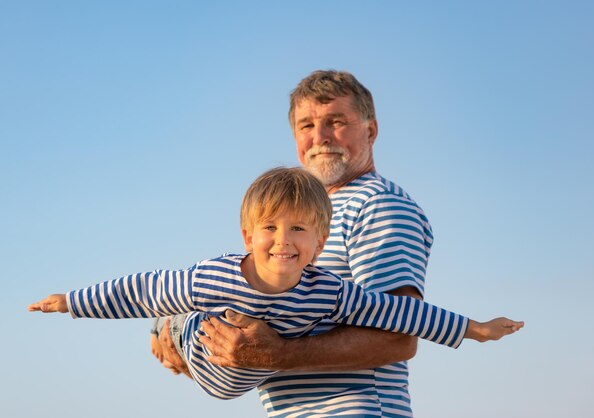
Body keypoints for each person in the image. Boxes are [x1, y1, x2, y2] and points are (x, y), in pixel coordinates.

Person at [152, 70, 513, 417]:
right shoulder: (303, 217)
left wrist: (278, 354)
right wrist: (174, 329)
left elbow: (399, 335)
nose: (321, 136)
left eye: (336, 121)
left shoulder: (378, 205)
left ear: (371, 131)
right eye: (307, 125)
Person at [29, 167, 523, 402]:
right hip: (203, 348)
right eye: (269, 229)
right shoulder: (218, 274)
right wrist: (72, 301)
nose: (282, 242)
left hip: (239, 382)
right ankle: (175, 323)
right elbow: (143, 287)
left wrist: (473, 328)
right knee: (177, 301)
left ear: (319, 240)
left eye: (298, 230)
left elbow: (401, 315)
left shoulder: (330, 291)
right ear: (248, 234)